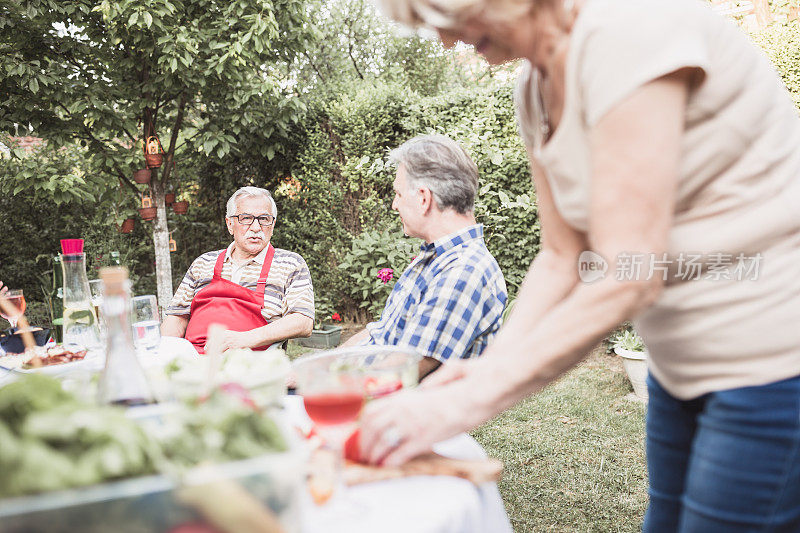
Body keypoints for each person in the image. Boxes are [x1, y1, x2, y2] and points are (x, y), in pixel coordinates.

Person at [359, 0, 800, 531]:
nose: (447, 41)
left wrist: (474, 400)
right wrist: (491, 365)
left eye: (446, 17)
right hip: (676, 368)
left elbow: (627, 272)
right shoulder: (533, 89)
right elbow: (563, 256)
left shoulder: (628, 27)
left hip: (773, 360)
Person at [342, 134, 507, 380]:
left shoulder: (463, 270)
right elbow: (379, 333)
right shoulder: (437, 257)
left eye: (398, 194)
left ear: (423, 198)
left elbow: (399, 372)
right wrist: (315, 367)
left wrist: (320, 380)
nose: (394, 205)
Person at [162, 187, 314, 353]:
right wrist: (164, 354)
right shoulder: (203, 263)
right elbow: (176, 319)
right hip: (193, 362)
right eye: (246, 218)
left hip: (251, 365)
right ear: (229, 224)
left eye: (264, 219)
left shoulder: (290, 264)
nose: (256, 227)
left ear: (273, 224)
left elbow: (303, 321)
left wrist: (245, 339)